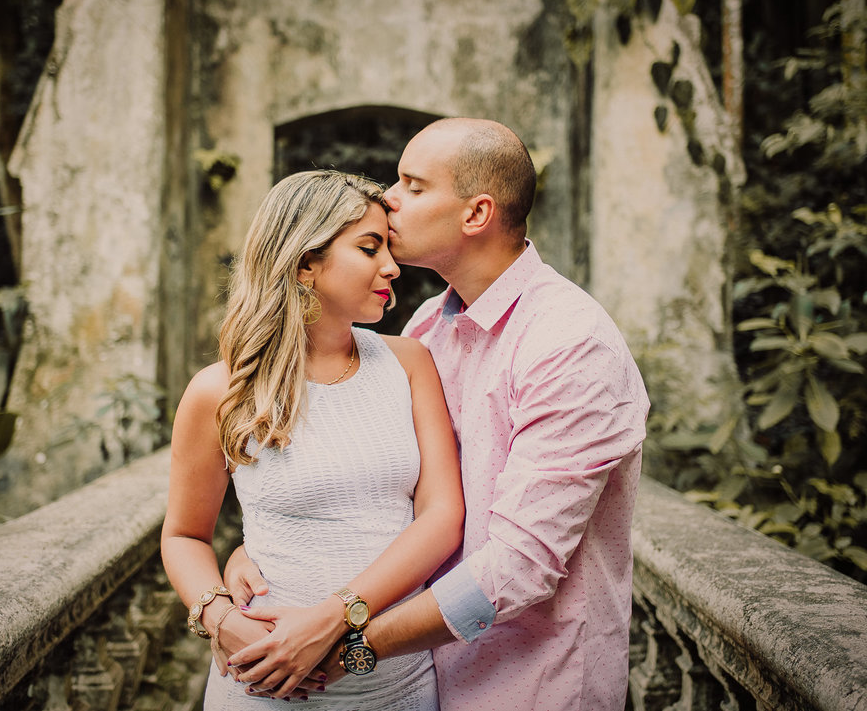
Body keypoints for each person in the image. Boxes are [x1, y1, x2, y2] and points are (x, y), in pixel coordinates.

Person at [225, 118, 649, 711]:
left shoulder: (570, 343)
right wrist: (268, 548)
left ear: (476, 215)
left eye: (413, 185)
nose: (387, 199)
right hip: (424, 679)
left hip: (528, 685)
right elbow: (381, 487)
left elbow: (519, 567)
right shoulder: (427, 327)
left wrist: (342, 641)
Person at [160, 169, 466, 710]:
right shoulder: (220, 390)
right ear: (305, 263)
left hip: (395, 684)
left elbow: (442, 518)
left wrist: (333, 618)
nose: (392, 266)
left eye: (387, 248)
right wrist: (220, 618)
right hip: (261, 683)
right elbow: (184, 535)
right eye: (369, 248)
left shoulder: (410, 363)